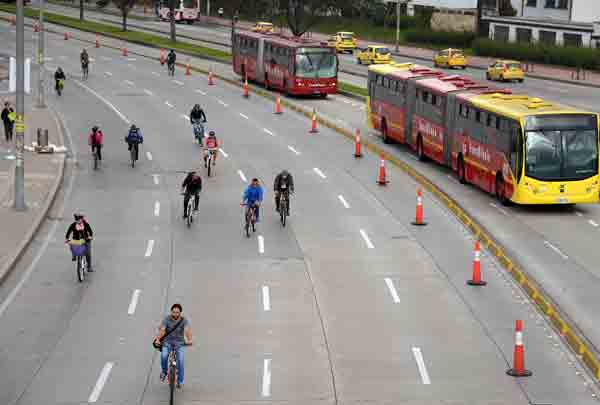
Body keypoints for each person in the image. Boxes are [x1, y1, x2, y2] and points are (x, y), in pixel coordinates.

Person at [154, 303, 192, 389]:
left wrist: (189, 340)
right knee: (163, 356)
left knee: (181, 361)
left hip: (179, 343)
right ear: (171, 312)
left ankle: (180, 381)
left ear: (180, 313)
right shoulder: (167, 319)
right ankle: (164, 372)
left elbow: (187, 330)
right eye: (173, 312)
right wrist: (158, 339)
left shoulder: (184, 320)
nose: (175, 314)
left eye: (177, 312)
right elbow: (162, 330)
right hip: (167, 342)